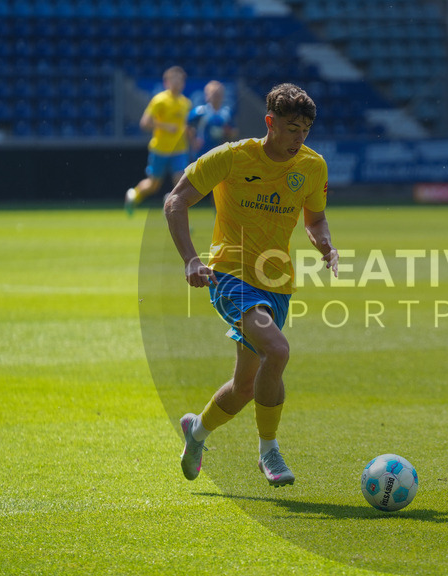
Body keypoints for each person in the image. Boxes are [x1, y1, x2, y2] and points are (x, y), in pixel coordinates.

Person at [165, 83, 339, 487]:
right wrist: (191, 258)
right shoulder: (232, 156)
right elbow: (175, 201)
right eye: (292, 128)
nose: (300, 138)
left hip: (277, 283)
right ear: (270, 123)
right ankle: (268, 451)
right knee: (277, 350)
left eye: (306, 131)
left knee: (245, 386)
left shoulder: (313, 167)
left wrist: (323, 242)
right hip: (229, 273)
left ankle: (197, 432)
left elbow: (315, 220)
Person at [124, 66, 192, 216]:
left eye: (180, 80)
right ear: (166, 82)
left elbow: (186, 126)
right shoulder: (159, 100)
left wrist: (192, 137)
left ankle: (174, 212)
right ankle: (133, 195)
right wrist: (165, 126)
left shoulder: (186, 103)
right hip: (160, 149)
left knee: (181, 182)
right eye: (174, 80)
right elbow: (145, 123)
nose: (177, 83)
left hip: (179, 150)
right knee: (153, 185)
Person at [188, 80, 237, 161]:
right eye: (213, 93)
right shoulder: (200, 111)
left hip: (221, 153)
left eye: (218, 94)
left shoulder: (227, 113)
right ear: (206, 95)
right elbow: (187, 125)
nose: (216, 97)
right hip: (202, 154)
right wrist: (193, 142)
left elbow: (234, 131)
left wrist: (228, 132)